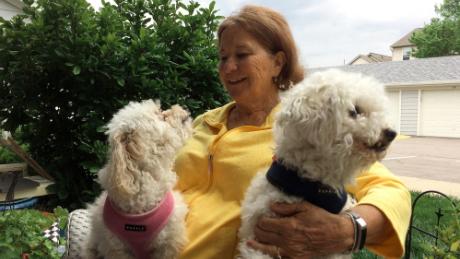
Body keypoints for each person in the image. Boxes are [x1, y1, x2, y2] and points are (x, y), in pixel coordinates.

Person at [174, 5, 410, 258]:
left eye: (241, 55)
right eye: (223, 57)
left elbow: (392, 191)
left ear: (277, 62)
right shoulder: (205, 121)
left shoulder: (307, 127)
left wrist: (347, 229)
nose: (228, 67)